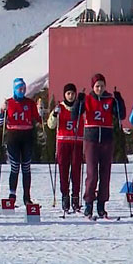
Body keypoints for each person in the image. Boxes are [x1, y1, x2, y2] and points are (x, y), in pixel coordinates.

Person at [70, 73, 126, 219]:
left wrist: (119, 100)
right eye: (97, 86)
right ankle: (89, 204)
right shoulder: (88, 99)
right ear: (92, 87)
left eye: (102, 86)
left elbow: (121, 115)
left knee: (105, 174)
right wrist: (78, 101)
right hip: (91, 140)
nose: (99, 89)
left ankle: (101, 205)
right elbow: (74, 116)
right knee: (92, 173)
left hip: (107, 139)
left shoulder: (109, 100)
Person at [0, 78, 42, 206]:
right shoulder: (9, 103)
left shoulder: (30, 103)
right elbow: (0, 123)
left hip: (27, 135)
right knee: (15, 165)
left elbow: (38, 119)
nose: (22, 91)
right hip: (13, 136)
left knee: (26, 167)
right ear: (15, 89)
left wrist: (40, 112)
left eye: (23, 88)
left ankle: (27, 197)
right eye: (19, 89)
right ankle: (12, 195)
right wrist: (2, 111)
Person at [47, 83, 84, 213]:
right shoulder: (60, 108)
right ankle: (65, 196)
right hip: (63, 142)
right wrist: (55, 115)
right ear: (64, 95)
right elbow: (51, 125)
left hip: (77, 142)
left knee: (76, 170)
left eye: (72, 94)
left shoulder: (79, 107)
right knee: (63, 170)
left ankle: (75, 197)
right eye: (68, 94)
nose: (70, 96)